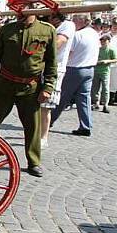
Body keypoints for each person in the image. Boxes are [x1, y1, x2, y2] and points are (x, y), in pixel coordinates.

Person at [0, 0, 57, 177]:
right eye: (16, 6)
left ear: (32, 6)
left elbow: (51, 63)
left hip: (31, 88)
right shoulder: (7, 30)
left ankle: (33, 162)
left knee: (32, 127)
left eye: (22, 5)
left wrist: (48, 87)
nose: (18, 11)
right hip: (4, 85)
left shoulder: (47, 31)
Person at [51, 14, 100, 136]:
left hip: (75, 69)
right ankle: (86, 125)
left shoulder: (78, 35)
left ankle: (49, 120)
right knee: (84, 98)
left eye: (75, 20)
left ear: (82, 21)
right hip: (89, 69)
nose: (72, 22)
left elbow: (69, 52)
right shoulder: (94, 33)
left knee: (62, 97)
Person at [40, 12, 75, 148]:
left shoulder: (67, 26)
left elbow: (57, 44)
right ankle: (36, 134)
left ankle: (44, 137)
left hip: (55, 69)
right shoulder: (50, 26)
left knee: (46, 105)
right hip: (40, 68)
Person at [91, 34, 117, 113]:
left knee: (105, 88)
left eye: (105, 41)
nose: (103, 42)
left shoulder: (111, 50)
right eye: (102, 41)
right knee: (95, 88)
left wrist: (107, 61)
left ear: (108, 42)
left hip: (105, 71)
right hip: (96, 70)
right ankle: (96, 103)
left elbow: (115, 59)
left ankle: (105, 104)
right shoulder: (97, 49)